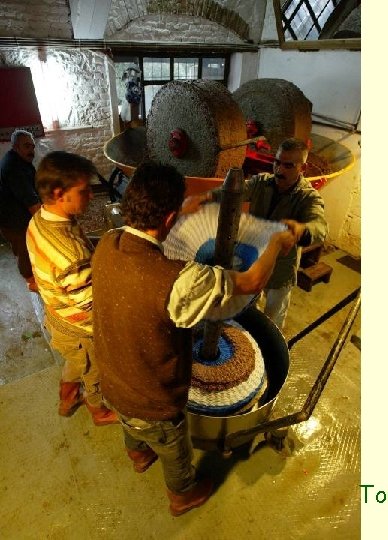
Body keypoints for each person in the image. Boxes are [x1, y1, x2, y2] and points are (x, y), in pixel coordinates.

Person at [91, 161, 295, 517]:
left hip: (112, 379)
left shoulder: (110, 241)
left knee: (132, 425)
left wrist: (182, 210)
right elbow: (250, 282)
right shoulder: (178, 281)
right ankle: (182, 495)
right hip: (153, 402)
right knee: (174, 447)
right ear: (169, 218)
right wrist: (276, 242)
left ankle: (138, 455)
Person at [182, 137, 328, 331]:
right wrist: (205, 197)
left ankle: (268, 345)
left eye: (288, 166)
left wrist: (302, 230)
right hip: (254, 262)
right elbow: (234, 191)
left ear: (303, 168)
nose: (279, 170)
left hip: (280, 270)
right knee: (250, 309)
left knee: (273, 320)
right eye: (277, 162)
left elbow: (320, 227)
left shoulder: (307, 197)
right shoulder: (262, 183)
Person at [25, 151, 119, 426]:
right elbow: (91, 306)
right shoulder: (71, 256)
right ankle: (98, 411)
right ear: (59, 193)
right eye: (84, 190)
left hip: (57, 315)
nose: (91, 195)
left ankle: (67, 398)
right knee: (93, 371)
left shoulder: (39, 220)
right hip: (80, 328)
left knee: (76, 361)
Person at [0, 129, 41, 292]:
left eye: (32, 146)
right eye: (26, 146)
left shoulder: (21, 161)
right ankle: (31, 282)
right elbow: (29, 199)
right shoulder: (14, 168)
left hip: (14, 213)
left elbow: (33, 189)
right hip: (13, 220)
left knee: (25, 247)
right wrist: (45, 222)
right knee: (25, 248)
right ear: (15, 147)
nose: (31, 150)